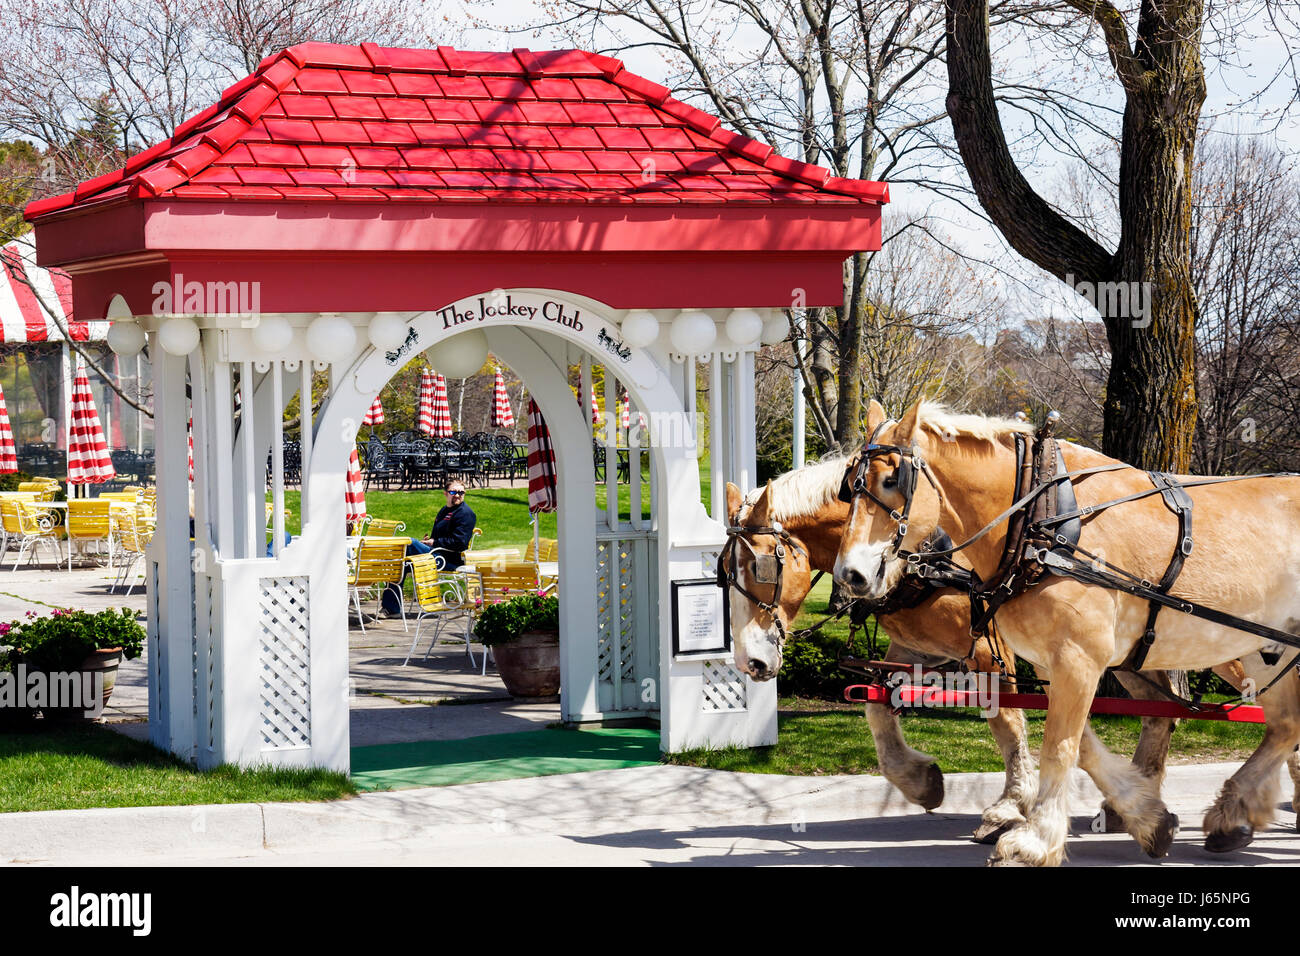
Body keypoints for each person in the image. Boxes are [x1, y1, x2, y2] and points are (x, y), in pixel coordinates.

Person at [380, 481, 477, 614]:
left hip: (448, 560)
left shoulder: (465, 514)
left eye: (461, 492)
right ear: (446, 493)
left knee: (410, 543)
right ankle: (391, 609)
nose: (457, 495)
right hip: (436, 554)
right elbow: (436, 537)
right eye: (454, 492)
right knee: (398, 565)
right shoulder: (444, 511)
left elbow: (460, 542)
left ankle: (380, 563)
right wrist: (428, 541)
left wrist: (434, 542)